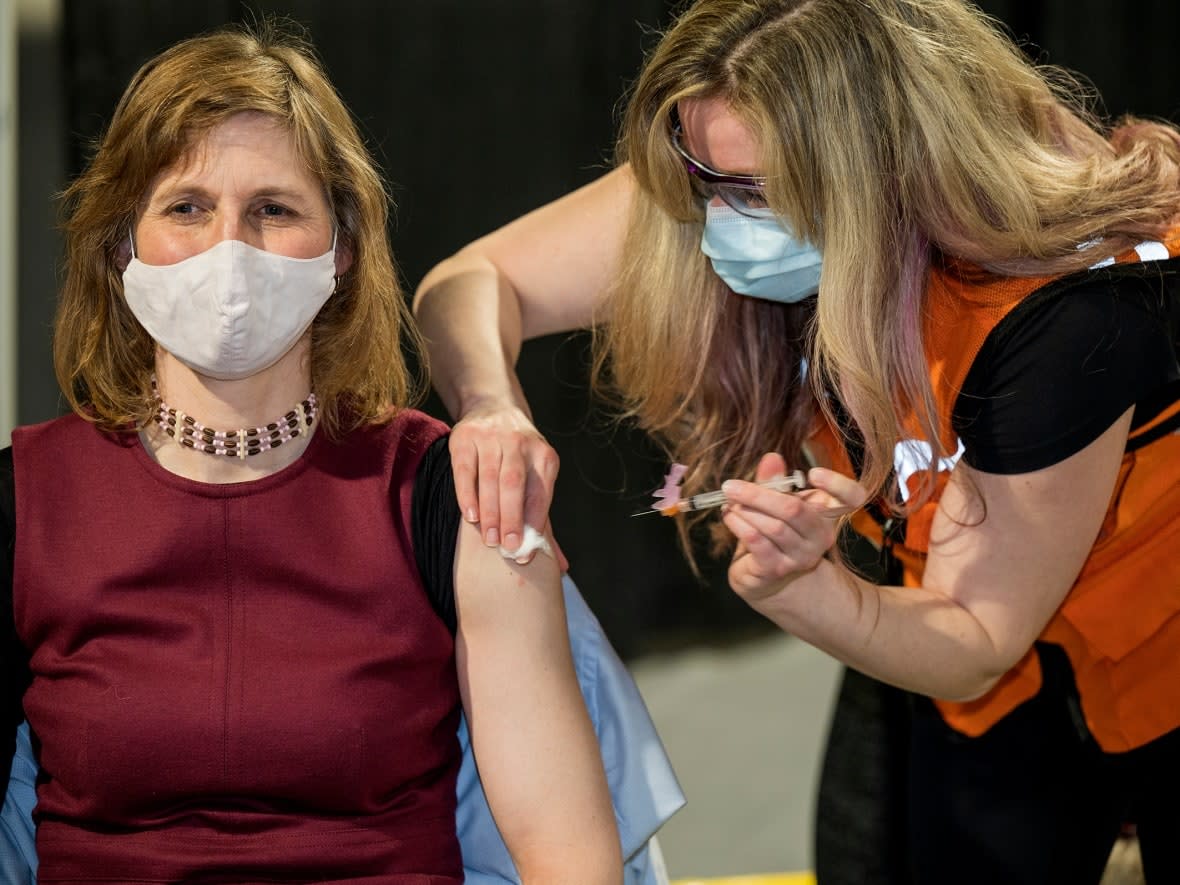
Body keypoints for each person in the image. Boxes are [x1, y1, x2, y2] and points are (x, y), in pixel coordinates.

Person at [412, 1, 1180, 883]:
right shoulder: (725, 161)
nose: (722, 219)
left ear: (888, 170)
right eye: (706, 180)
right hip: (944, 617)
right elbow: (473, 280)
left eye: (758, 191)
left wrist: (808, 595)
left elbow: (977, 638)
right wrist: (489, 405)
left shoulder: (1068, 318)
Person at [0, 22, 643, 883]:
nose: (230, 246)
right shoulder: (23, 501)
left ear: (341, 250)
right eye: (186, 207)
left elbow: (572, 860)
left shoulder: (450, 493)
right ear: (123, 246)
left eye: (274, 209)